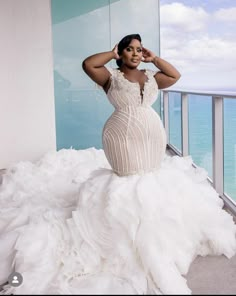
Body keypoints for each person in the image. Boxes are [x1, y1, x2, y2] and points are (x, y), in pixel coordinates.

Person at [0, 34, 236, 295]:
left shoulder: (151, 76)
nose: (135, 54)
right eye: (129, 50)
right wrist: (111, 54)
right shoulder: (111, 77)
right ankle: (128, 235)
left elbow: (175, 75)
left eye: (138, 49)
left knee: (150, 177)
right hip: (121, 136)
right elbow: (89, 64)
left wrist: (154, 57)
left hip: (152, 134)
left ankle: (154, 233)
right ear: (121, 53)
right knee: (128, 179)